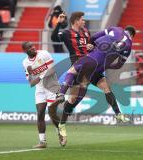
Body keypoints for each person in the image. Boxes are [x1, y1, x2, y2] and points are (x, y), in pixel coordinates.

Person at [51, 12, 130, 145]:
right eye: (82, 19)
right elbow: (54, 37)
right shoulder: (66, 33)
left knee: (105, 87)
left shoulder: (86, 32)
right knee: (74, 100)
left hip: (94, 64)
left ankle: (118, 114)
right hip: (79, 65)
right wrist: (59, 23)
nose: (84, 21)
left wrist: (92, 46)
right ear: (76, 21)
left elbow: (93, 44)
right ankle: (62, 125)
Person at [22, 41, 62, 148]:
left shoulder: (44, 54)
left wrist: (39, 77)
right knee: (40, 113)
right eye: (30, 47)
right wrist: (30, 74)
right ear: (26, 51)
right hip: (39, 89)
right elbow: (30, 81)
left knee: (52, 113)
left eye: (33, 45)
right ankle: (42, 142)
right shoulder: (25, 62)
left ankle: (61, 132)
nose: (33, 47)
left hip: (51, 85)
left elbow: (52, 68)